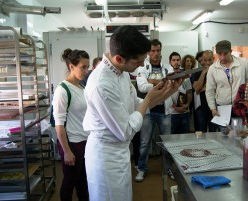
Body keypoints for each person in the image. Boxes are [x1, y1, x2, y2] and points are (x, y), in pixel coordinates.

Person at [83, 26, 182, 201]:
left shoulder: (120, 71)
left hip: (119, 152)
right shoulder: (102, 84)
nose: (142, 65)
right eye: (138, 62)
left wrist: (165, 93)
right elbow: (126, 131)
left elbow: (136, 103)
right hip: (106, 155)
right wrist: (148, 98)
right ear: (119, 58)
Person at [52, 48, 90, 201]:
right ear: (71, 66)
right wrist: (67, 151)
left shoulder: (81, 87)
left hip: (85, 141)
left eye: (87, 67)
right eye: (83, 67)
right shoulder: (63, 90)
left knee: (83, 183)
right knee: (69, 182)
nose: (86, 71)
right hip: (72, 144)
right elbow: (59, 125)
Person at [135, 39, 174, 182]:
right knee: (145, 142)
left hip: (165, 111)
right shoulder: (142, 68)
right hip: (148, 111)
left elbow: (170, 86)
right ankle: (142, 169)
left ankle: (168, 168)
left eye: (158, 50)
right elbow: (141, 87)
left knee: (167, 143)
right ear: (148, 53)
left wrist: (152, 82)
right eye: (152, 51)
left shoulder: (168, 68)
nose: (155, 53)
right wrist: (161, 83)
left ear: (161, 51)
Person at [206, 40, 248, 120]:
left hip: (241, 105)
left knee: (241, 131)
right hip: (222, 106)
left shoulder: (243, 63)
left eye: (225, 53)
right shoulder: (213, 69)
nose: (222, 57)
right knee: (224, 131)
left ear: (231, 51)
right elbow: (210, 90)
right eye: (219, 54)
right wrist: (212, 108)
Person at [192, 50, 217, 132]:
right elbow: (197, 88)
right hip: (201, 107)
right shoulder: (197, 72)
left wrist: (205, 88)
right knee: (201, 132)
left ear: (213, 59)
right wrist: (203, 73)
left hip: (214, 106)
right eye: (205, 60)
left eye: (210, 60)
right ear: (202, 60)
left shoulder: (218, 71)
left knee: (213, 132)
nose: (207, 62)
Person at [169, 52, 192, 134]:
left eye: (178, 60)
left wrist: (187, 104)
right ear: (170, 62)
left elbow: (189, 92)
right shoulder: (168, 76)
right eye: (173, 60)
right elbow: (166, 95)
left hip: (184, 112)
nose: (176, 62)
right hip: (171, 113)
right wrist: (175, 107)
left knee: (184, 138)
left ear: (180, 61)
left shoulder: (185, 76)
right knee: (171, 138)